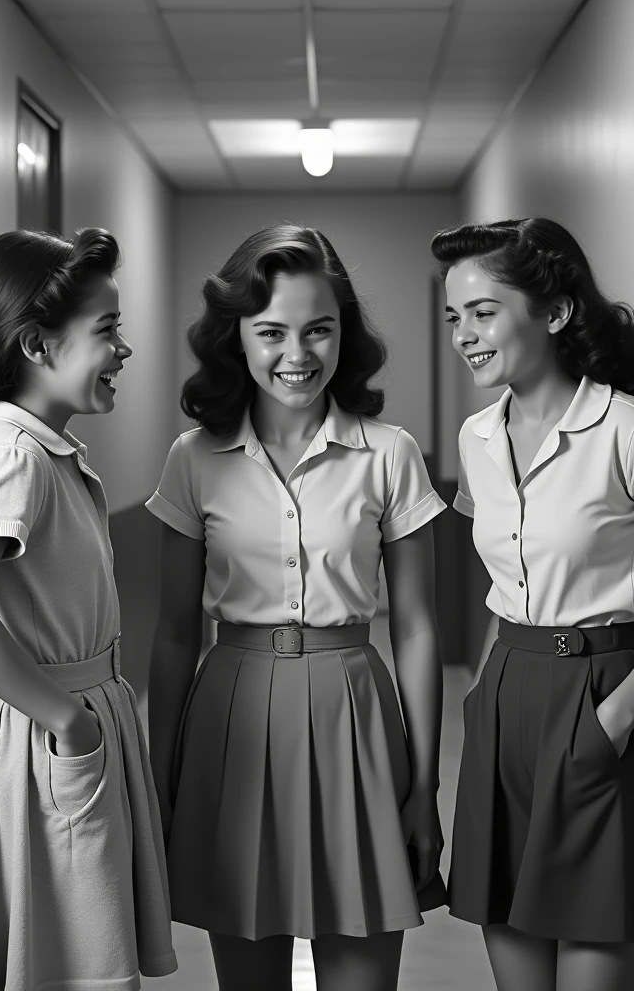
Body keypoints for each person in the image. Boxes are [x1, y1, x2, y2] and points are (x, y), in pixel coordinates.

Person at [146, 224, 447, 991]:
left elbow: (415, 627)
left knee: (363, 973)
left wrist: (423, 788)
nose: (298, 354)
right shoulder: (192, 459)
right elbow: (177, 631)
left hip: (356, 708)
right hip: (230, 720)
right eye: (271, 332)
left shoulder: (391, 453)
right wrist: (163, 773)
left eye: (319, 330)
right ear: (235, 338)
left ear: (345, 334)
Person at [0, 229, 177, 990]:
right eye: (108, 330)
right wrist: (69, 724)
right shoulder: (12, 455)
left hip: (68, 723)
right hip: (46, 733)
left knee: (69, 959)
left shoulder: (45, 452)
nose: (125, 349)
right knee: (66, 965)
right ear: (40, 346)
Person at [432, 217, 634, 991]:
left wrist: (611, 726)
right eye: (454, 317)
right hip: (507, 697)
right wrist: (485, 696)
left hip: (605, 697)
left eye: (483, 313)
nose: (464, 335)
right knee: (511, 948)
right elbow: (504, 588)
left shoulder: (619, 427)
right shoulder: (476, 438)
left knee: (594, 950)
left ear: (553, 313)